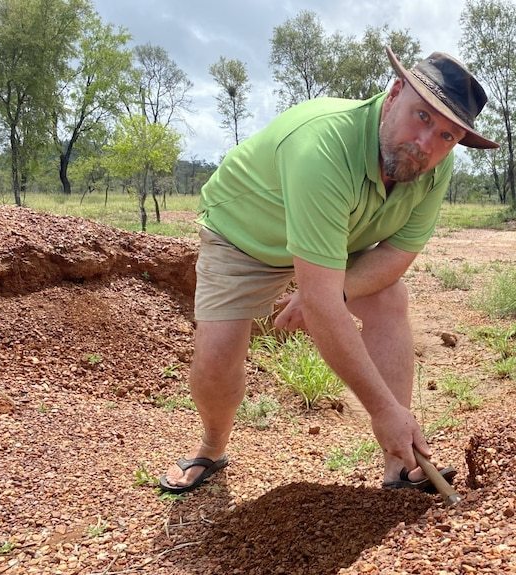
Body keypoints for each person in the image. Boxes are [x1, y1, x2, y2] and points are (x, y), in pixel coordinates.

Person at [160, 46, 498, 495]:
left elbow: (397, 253)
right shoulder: (323, 145)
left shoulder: (435, 165)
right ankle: (212, 447)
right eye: (422, 116)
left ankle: (400, 465)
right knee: (218, 359)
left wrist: (328, 291)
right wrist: (380, 408)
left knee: (389, 297)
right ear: (395, 93)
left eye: (447, 135)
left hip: (338, 238)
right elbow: (322, 306)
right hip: (247, 236)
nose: (426, 144)